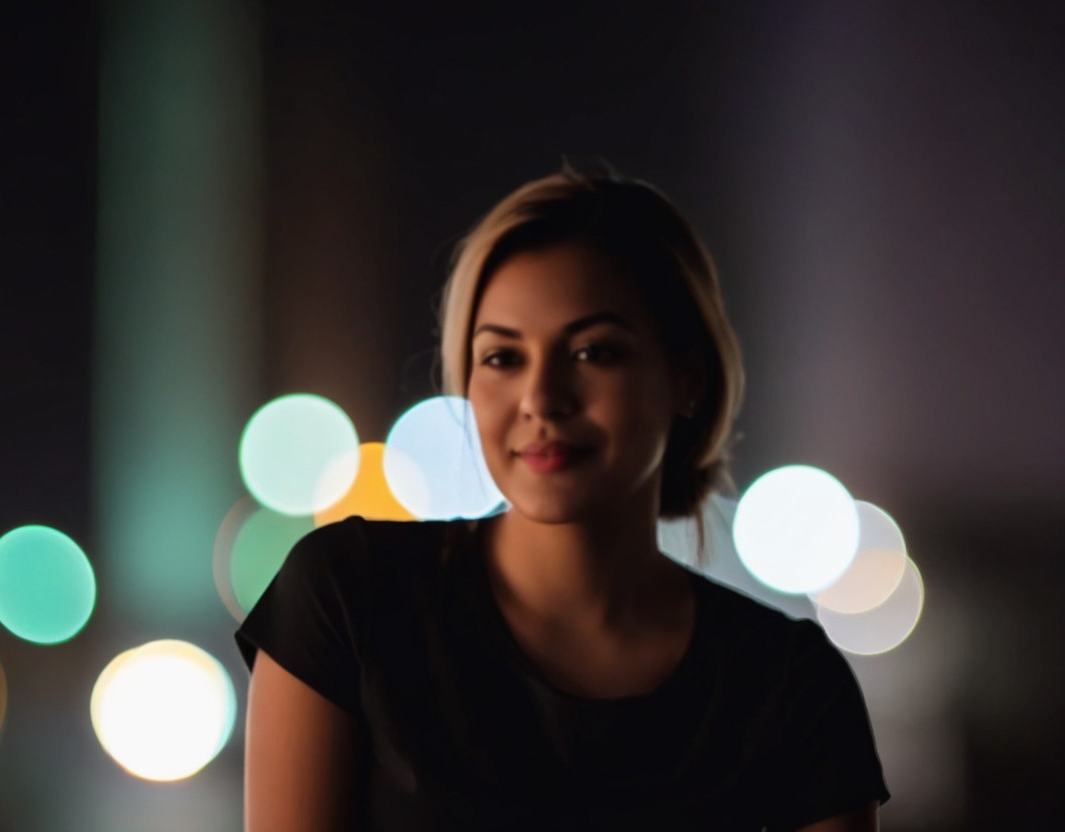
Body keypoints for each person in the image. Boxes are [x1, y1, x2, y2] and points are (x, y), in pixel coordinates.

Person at [236, 165, 890, 831]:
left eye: (592, 353)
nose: (541, 399)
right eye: (502, 358)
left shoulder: (791, 690)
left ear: (686, 378)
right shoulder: (349, 599)